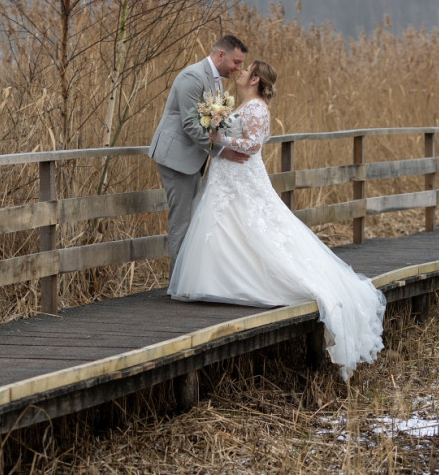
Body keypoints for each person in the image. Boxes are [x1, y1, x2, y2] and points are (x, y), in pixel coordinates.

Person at [167, 61, 386, 381]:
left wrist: (218, 137)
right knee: (226, 228)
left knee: (257, 227)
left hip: (242, 175)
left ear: (255, 79)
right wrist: (217, 128)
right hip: (226, 177)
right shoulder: (244, 104)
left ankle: (255, 282)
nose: (240, 73)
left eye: (246, 71)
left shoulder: (257, 108)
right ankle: (217, 283)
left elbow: (253, 145)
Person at [149, 34, 250, 275]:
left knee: (192, 219)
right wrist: (222, 150)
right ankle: (178, 282)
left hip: (194, 158)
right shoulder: (192, 77)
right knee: (182, 221)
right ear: (220, 54)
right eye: (236, 62)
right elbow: (190, 124)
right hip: (177, 158)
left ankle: (187, 278)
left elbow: (212, 122)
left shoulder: (215, 80)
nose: (238, 68)